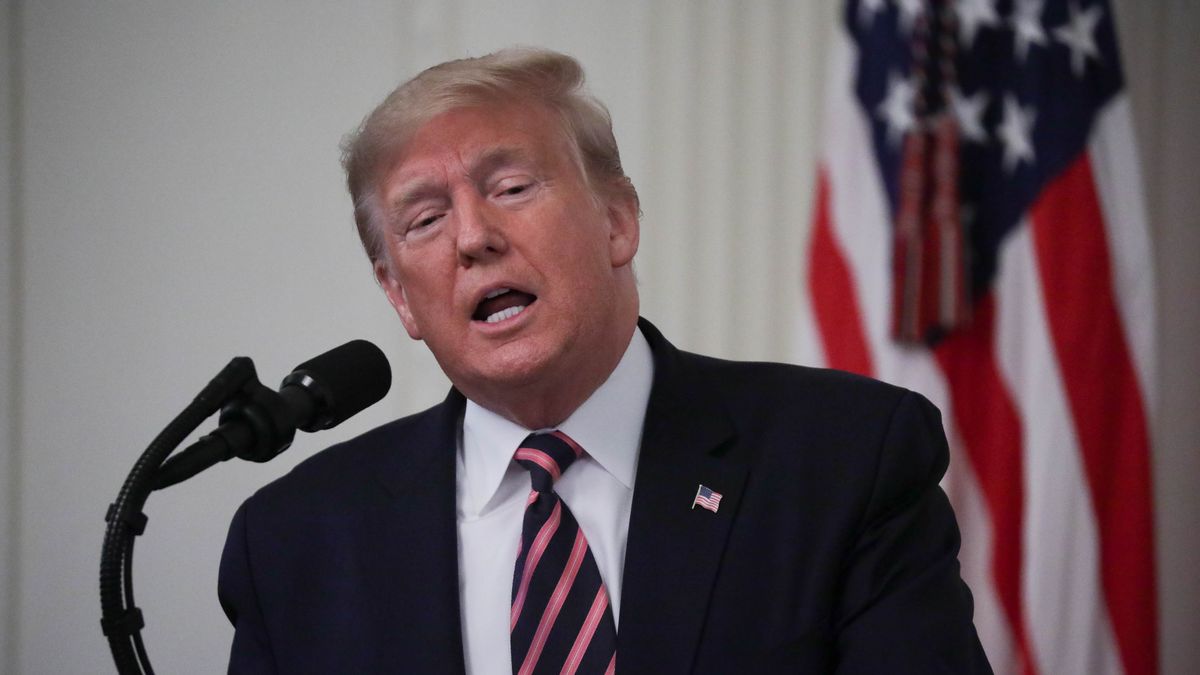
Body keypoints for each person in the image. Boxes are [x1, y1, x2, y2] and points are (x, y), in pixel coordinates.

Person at [218, 47, 991, 674]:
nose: (472, 237)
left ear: (618, 221)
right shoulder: (295, 542)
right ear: (401, 299)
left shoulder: (843, 459)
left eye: (512, 186)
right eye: (425, 220)